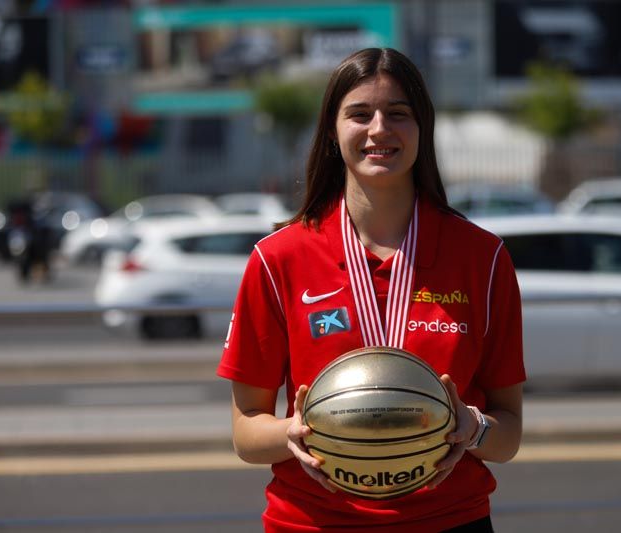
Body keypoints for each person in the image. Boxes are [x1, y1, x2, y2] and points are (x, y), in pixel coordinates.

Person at [217, 48, 525, 532]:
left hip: (449, 522)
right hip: (312, 524)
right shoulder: (277, 260)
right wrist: (291, 434)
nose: (379, 128)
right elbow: (245, 431)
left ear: (421, 129)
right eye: (359, 114)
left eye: (397, 114)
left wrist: (474, 427)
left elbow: (508, 435)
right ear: (332, 131)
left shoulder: (482, 259)